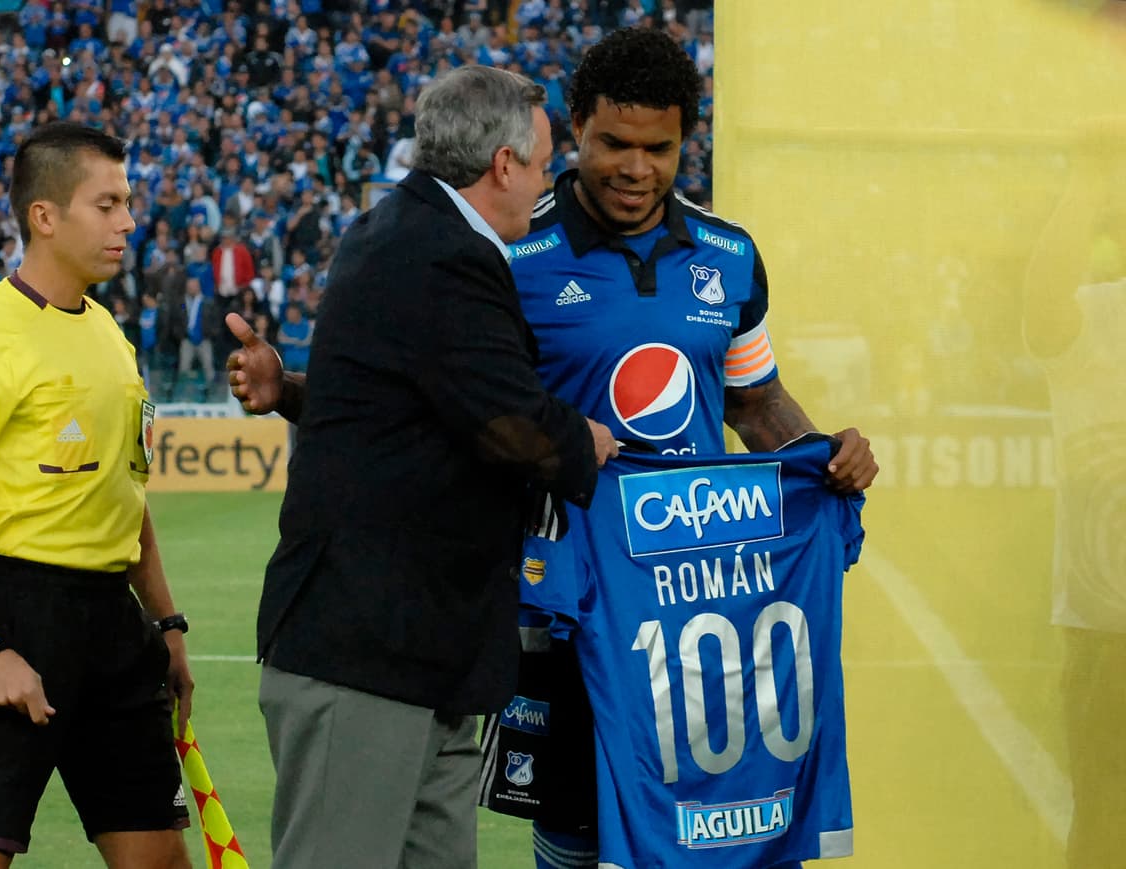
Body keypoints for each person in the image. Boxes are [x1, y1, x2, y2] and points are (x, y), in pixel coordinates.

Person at [476, 27, 879, 869]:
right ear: (575, 127)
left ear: (684, 142)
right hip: (579, 605)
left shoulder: (728, 257)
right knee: (579, 842)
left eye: (658, 148)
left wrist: (823, 453)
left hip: (699, 602)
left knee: (725, 827)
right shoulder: (516, 255)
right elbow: (473, 410)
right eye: (612, 144)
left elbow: (756, 402)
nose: (635, 168)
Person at [224, 65, 617, 869]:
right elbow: (510, 425)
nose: (550, 184)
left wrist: (288, 388)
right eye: (544, 165)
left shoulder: (401, 231)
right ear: (504, 165)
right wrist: (585, 441)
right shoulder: (442, 254)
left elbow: (393, 406)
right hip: (367, 651)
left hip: (424, 655)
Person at [0, 122, 194, 869]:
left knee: (160, 857)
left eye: (127, 202)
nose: (128, 221)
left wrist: (166, 623)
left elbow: (126, 494)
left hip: (116, 625)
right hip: (16, 612)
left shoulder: (111, 336)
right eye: (107, 204)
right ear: (45, 216)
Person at [1022, 120, 1126, 869]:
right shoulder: (1098, 312)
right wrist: (1086, 180)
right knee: (1107, 818)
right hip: (1108, 626)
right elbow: (1043, 300)